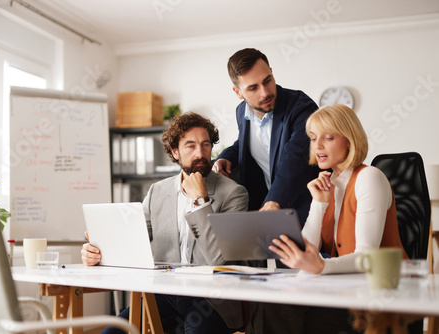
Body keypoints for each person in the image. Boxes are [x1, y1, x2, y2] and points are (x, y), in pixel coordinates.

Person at [81, 112, 249, 334]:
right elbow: (131, 241)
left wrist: (201, 201)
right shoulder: (157, 191)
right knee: (111, 332)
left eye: (205, 145)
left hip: (210, 301)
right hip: (164, 295)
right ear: (175, 152)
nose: (200, 153)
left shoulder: (234, 194)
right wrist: (96, 250)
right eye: (190, 146)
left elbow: (223, 261)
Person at [247, 104, 408, 334]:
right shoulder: (329, 184)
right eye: (313, 138)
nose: (318, 145)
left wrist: (322, 266)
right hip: (345, 293)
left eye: (329, 137)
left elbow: (367, 258)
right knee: (272, 304)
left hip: (379, 297)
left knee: (278, 310)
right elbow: (307, 250)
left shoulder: (369, 178)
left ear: (350, 141)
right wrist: (319, 203)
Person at [213, 48, 319, 225]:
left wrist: (274, 201)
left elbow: (296, 156)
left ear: (272, 73)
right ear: (238, 92)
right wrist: (227, 156)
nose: (265, 93)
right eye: (253, 88)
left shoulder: (301, 107)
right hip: (266, 212)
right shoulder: (242, 112)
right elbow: (246, 142)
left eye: (267, 81)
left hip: (308, 211)